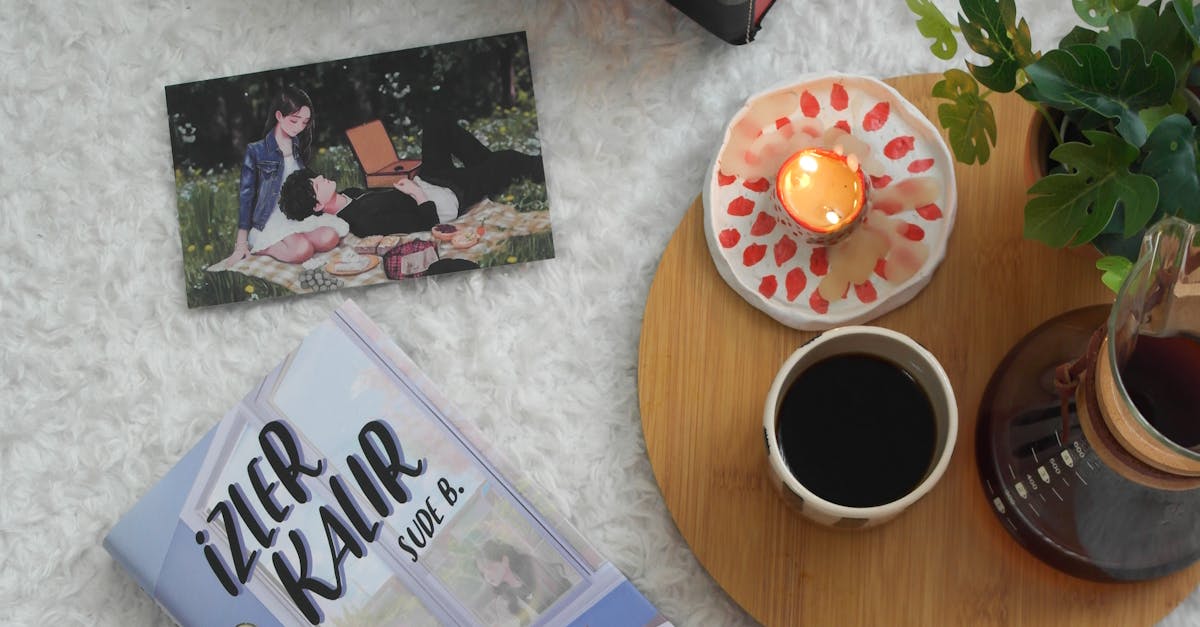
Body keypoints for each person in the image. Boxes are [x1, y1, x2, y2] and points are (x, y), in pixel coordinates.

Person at [278, 110, 544, 238]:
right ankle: (534, 170)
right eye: (315, 184)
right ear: (317, 205)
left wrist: (415, 185)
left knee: (436, 122)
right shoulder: (361, 223)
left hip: (429, 181)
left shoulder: (349, 196)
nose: (321, 177)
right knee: (508, 158)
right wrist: (417, 194)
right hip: (446, 199)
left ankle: (487, 168)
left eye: (314, 177)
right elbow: (426, 224)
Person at [220, 85, 347, 267]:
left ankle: (297, 237)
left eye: (305, 122)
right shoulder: (256, 151)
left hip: (295, 212)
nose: (300, 128)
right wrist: (241, 244)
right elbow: (246, 198)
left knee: (330, 237)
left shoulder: (297, 145)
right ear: (279, 116)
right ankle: (263, 246)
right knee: (301, 250)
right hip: (269, 218)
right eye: (295, 121)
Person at [474, 540, 572, 618]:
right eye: (483, 573)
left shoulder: (531, 565)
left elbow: (560, 592)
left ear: (505, 560)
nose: (488, 576)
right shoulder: (503, 602)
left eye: (490, 567)